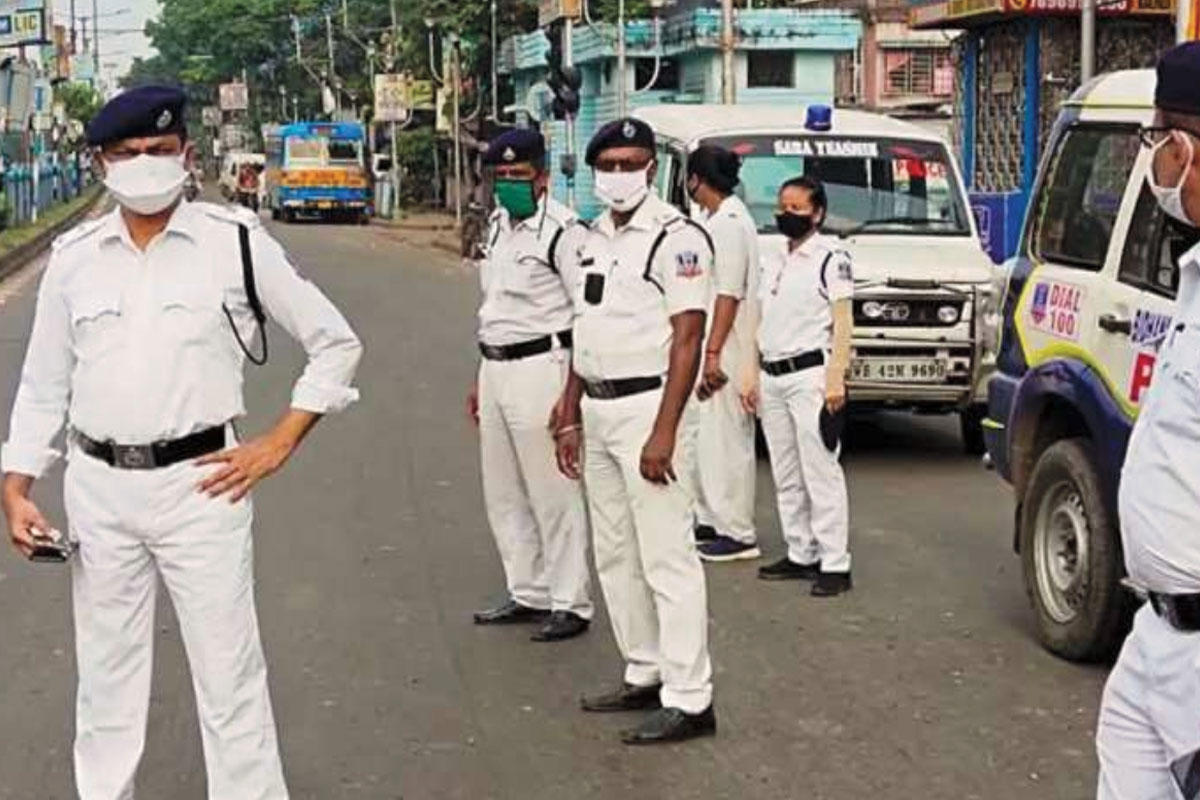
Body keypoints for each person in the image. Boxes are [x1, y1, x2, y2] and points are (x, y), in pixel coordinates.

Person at [0, 85, 362, 799]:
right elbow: (43, 383)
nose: (144, 165)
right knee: (105, 680)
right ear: (100, 162)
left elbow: (335, 344)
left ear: (187, 155)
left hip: (203, 485)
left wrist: (277, 442)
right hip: (98, 485)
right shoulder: (74, 258)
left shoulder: (235, 243)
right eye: (127, 154)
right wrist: (16, 487)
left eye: (159, 152)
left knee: (230, 677)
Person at [555, 117, 716, 745]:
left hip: (650, 409)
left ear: (652, 169)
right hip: (597, 409)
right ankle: (644, 669)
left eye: (631, 163)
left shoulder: (678, 239)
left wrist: (664, 431)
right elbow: (581, 325)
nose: (618, 174)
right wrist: (569, 408)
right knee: (615, 551)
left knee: (666, 557)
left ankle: (690, 696)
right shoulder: (590, 237)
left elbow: (688, 337)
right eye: (609, 164)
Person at [1096, 42, 1200, 799]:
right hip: (1155, 632)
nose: (1151, 161)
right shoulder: (1194, 274)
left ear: (1183, 149)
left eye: (1153, 139)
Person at [468, 128, 593, 642]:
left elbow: (587, 315)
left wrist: (571, 401)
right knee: (503, 489)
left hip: (544, 365)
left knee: (552, 489)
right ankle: (529, 590)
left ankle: (571, 600)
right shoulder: (497, 225)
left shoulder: (564, 233)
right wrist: (480, 376)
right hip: (495, 366)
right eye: (501, 176)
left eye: (519, 176)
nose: (509, 185)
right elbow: (494, 307)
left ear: (542, 178)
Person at [744, 176, 853, 597]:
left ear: (818, 213)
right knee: (785, 471)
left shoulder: (830, 257)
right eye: (782, 207)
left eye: (796, 209)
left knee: (820, 471)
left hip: (810, 376)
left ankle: (835, 562)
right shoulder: (774, 257)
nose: (786, 215)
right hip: (772, 374)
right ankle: (800, 551)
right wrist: (752, 372)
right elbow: (760, 318)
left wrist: (835, 379)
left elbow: (843, 323)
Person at [679, 144, 761, 562]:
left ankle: (737, 530)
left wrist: (712, 354)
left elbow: (728, 293)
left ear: (696, 178)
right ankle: (711, 518)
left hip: (727, 346)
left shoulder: (729, 223)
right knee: (707, 437)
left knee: (727, 439)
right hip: (715, 341)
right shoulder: (714, 219)